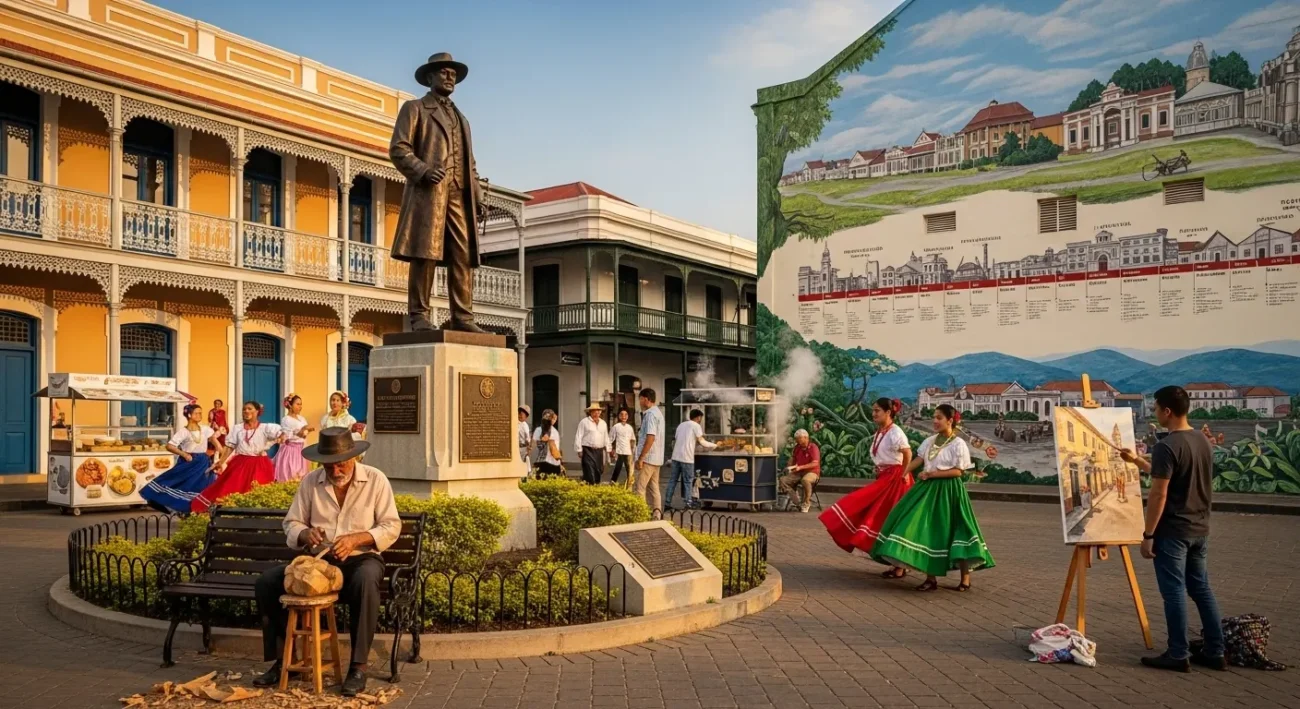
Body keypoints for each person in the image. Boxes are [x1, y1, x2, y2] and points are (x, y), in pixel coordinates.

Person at [252, 428, 401, 697]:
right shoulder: (311, 481)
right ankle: (285, 661)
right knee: (267, 583)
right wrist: (305, 533)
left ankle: (358, 666)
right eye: (329, 465)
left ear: (354, 457)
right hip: (319, 563)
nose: (335, 470)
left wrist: (358, 538)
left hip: (361, 558)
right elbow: (291, 523)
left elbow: (391, 526)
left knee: (366, 581)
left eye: (341, 463)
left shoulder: (376, 480)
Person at [1121, 386, 1225, 673]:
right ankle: (1216, 651)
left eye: (1155, 408)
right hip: (1199, 528)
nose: (1154, 412)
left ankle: (1178, 653)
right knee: (1202, 589)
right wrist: (1137, 461)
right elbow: (1171, 473)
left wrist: (1148, 535)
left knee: (1174, 592)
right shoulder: (1202, 440)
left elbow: (1159, 493)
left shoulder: (1167, 446)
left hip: (1174, 531)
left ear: (1167, 411)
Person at [389, 52, 489, 333]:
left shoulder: (463, 120)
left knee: (462, 255)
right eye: (444, 72)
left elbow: (470, 164)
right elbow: (399, 149)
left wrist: (478, 195)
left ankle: (463, 317)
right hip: (430, 193)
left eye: (453, 74)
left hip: (459, 194)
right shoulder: (416, 108)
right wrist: (422, 170)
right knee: (426, 254)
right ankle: (419, 315)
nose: (449, 77)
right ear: (430, 77)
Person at [870, 404, 994, 592]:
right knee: (925, 529)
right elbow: (919, 460)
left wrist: (932, 475)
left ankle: (965, 577)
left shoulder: (958, 444)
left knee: (955, 529)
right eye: (934, 417)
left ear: (950, 421)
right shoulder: (929, 441)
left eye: (939, 418)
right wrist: (903, 473)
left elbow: (958, 472)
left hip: (949, 491)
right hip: (927, 490)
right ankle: (930, 578)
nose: (934, 421)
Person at [819, 398, 913, 578]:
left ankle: (900, 566)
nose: (874, 413)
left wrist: (904, 474)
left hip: (895, 480)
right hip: (886, 476)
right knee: (882, 518)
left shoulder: (896, 432)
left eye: (877, 410)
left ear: (888, 412)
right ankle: (896, 564)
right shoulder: (881, 431)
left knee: (886, 517)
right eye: (873, 410)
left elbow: (907, 453)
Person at [192, 402, 284, 513]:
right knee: (231, 489)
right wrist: (220, 462)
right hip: (241, 463)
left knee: (258, 491)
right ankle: (229, 515)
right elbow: (229, 447)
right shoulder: (238, 428)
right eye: (244, 409)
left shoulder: (265, 428)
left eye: (250, 409)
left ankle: (256, 518)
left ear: (257, 412)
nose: (246, 411)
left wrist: (282, 436)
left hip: (260, 464)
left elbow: (281, 433)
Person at [139, 403, 223, 515]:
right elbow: (170, 446)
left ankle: (199, 509)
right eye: (196, 413)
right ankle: (176, 506)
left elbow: (215, 442)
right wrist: (184, 454)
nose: (199, 415)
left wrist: (220, 455)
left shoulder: (205, 429)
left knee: (202, 485)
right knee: (183, 483)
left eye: (200, 413)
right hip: (188, 462)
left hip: (203, 461)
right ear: (189, 415)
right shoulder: (183, 432)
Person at [667, 409, 717, 510]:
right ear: (698, 417)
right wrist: (715, 445)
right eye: (700, 418)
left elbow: (678, 439)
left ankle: (667, 503)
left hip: (676, 457)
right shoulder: (696, 426)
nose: (700, 420)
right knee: (688, 481)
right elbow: (702, 442)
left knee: (672, 480)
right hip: (687, 458)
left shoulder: (681, 425)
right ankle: (688, 502)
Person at [633, 389, 665, 515]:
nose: (639, 402)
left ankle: (640, 515)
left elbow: (650, 437)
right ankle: (657, 514)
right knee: (654, 488)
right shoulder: (658, 413)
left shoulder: (651, 415)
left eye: (640, 399)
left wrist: (641, 457)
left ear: (646, 399)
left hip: (648, 458)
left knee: (640, 488)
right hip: (656, 458)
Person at [273, 394, 314, 482]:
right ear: (290, 405)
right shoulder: (286, 419)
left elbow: (304, 433)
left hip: (301, 449)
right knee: (291, 473)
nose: (300, 406)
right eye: (297, 404)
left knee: (302, 474)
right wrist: (302, 431)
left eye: (301, 404)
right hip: (291, 450)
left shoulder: (301, 418)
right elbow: (288, 436)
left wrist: (305, 431)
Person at [780, 429, 821, 513]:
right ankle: (797, 502)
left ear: (806, 438)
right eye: (796, 439)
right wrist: (789, 467)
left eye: (799, 439)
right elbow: (793, 458)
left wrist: (801, 467)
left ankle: (806, 503)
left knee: (805, 480)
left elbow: (815, 463)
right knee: (783, 480)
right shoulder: (797, 447)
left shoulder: (813, 447)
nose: (797, 441)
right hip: (798, 472)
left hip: (812, 472)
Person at [575, 403, 611, 485]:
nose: (597, 413)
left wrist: (608, 449)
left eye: (599, 411)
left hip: (599, 451)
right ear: (590, 412)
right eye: (595, 411)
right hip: (587, 450)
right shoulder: (584, 422)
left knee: (598, 471)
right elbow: (578, 436)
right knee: (589, 471)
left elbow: (606, 437)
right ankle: (589, 486)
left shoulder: (603, 423)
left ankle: (594, 488)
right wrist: (579, 450)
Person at [609, 408, 636, 488]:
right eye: (622, 414)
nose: (624, 416)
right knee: (617, 468)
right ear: (619, 416)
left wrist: (633, 450)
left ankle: (628, 487)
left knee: (629, 470)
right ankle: (612, 484)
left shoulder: (630, 427)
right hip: (619, 451)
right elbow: (610, 439)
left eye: (626, 415)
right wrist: (611, 450)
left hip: (628, 452)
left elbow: (632, 439)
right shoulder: (616, 427)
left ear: (628, 416)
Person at [533, 414, 564, 478]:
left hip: (552, 461)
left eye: (554, 419)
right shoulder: (540, 430)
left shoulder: (554, 431)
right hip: (544, 461)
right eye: (551, 419)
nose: (553, 421)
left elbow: (555, 448)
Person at [517, 405, 532, 478]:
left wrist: (528, 448)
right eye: (519, 413)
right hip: (515, 447)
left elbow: (527, 438)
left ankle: (526, 476)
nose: (520, 415)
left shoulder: (525, 425)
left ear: (526, 417)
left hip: (523, 447)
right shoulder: (514, 423)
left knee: (525, 461)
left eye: (522, 414)